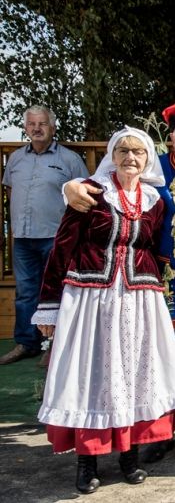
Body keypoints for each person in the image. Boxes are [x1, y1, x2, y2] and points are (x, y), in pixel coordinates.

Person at [63, 96, 175, 464]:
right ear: (170, 141)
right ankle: (160, 433)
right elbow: (107, 181)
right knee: (157, 360)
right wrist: (70, 185)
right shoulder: (156, 176)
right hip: (162, 288)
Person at [32, 127, 175, 494]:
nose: (130, 158)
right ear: (112, 155)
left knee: (135, 373)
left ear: (148, 158)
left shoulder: (155, 199)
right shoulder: (90, 192)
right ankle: (87, 461)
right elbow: (62, 247)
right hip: (91, 297)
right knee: (92, 375)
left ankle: (129, 457)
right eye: (123, 151)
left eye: (138, 152)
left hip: (140, 298)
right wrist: (49, 306)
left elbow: (159, 245)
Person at [0, 106, 88, 366]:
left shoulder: (69, 159)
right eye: (31, 124)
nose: (36, 128)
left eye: (42, 124)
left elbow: (85, 195)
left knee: (59, 292)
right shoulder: (16, 159)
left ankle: (56, 346)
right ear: (26, 128)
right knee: (26, 293)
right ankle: (27, 343)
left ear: (53, 127)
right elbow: (9, 191)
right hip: (23, 238)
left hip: (56, 238)